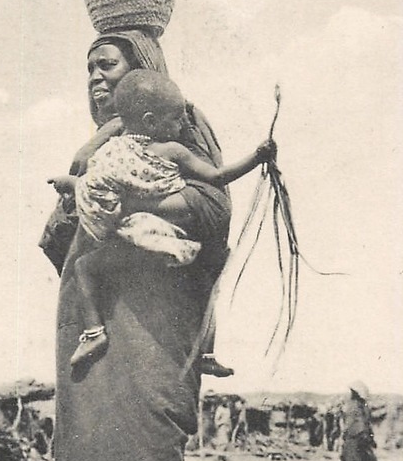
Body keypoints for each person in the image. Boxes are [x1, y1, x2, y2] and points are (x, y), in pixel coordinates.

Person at [40, 29, 246, 461]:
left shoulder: (178, 129)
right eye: (88, 70)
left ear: (144, 70)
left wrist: (120, 199)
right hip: (110, 348)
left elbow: (209, 209)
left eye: (108, 66)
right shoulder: (110, 148)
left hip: (152, 344)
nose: (96, 80)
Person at [48, 69, 276, 369]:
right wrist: (257, 156)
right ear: (151, 122)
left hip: (133, 240)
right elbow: (219, 176)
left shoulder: (114, 152)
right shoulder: (174, 151)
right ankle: (205, 353)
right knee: (205, 286)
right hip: (166, 241)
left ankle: (94, 333)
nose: (183, 124)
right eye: (177, 118)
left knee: (84, 267)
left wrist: (71, 184)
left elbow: (96, 186)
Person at [340, 381, 386, 461]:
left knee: (356, 453)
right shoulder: (354, 404)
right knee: (355, 453)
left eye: (353, 392)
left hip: (358, 432)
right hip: (354, 431)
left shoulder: (359, 405)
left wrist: (362, 432)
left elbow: (361, 419)